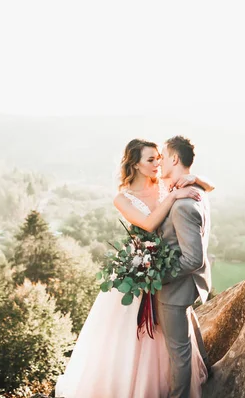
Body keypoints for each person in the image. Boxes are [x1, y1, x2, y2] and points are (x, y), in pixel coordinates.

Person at [54, 138, 211, 398]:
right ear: (135, 164)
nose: (157, 163)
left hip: (167, 269)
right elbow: (149, 224)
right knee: (131, 339)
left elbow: (209, 187)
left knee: (172, 335)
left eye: (159, 158)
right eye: (151, 159)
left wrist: (197, 180)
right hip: (141, 272)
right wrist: (173, 195)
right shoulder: (123, 198)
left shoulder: (164, 183)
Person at [156, 136, 212, 398]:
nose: (160, 162)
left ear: (175, 159)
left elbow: (193, 259)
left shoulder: (183, 204)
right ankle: (207, 377)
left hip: (175, 289)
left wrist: (156, 277)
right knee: (186, 342)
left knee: (178, 354)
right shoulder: (195, 190)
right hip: (184, 288)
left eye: (164, 157)